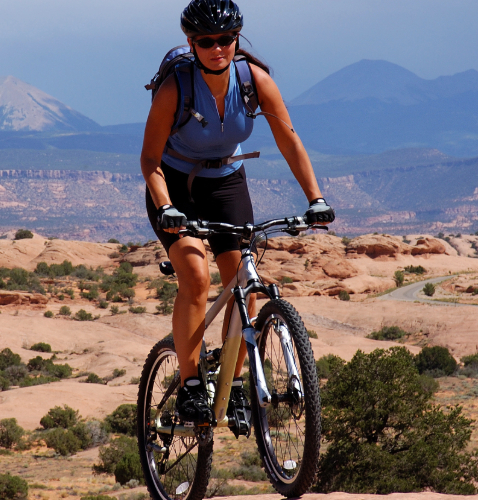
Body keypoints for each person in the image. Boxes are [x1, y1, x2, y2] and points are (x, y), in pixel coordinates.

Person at [140, 0, 335, 425]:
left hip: (227, 181)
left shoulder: (254, 80)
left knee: (245, 284)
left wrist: (315, 198)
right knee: (195, 276)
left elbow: (289, 141)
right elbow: (150, 162)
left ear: (237, 39)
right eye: (206, 41)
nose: (218, 48)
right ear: (191, 43)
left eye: (226, 39)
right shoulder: (177, 87)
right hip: (174, 184)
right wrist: (167, 208)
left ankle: (234, 378)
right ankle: (191, 385)